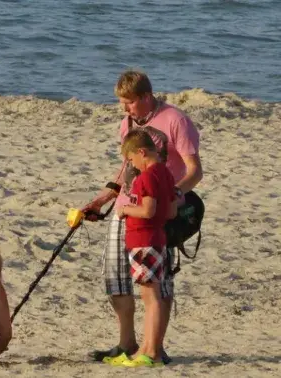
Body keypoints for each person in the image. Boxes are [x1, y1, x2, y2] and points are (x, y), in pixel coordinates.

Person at [83, 70, 203, 364]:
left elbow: (194, 171)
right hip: (126, 208)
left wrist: (173, 193)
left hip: (157, 215)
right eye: (122, 103)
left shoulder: (176, 120)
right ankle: (126, 344)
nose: (125, 109)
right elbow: (125, 168)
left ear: (146, 97)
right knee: (116, 278)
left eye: (130, 103)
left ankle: (154, 348)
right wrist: (101, 200)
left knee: (157, 283)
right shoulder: (126, 124)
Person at [105, 129, 177, 367]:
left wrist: (125, 210)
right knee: (153, 295)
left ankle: (150, 352)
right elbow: (171, 211)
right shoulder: (165, 173)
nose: (131, 165)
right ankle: (146, 349)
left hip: (144, 241)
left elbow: (147, 210)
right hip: (157, 239)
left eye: (132, 159)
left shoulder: (146, 177)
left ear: (141, 152)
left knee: (150, 297)